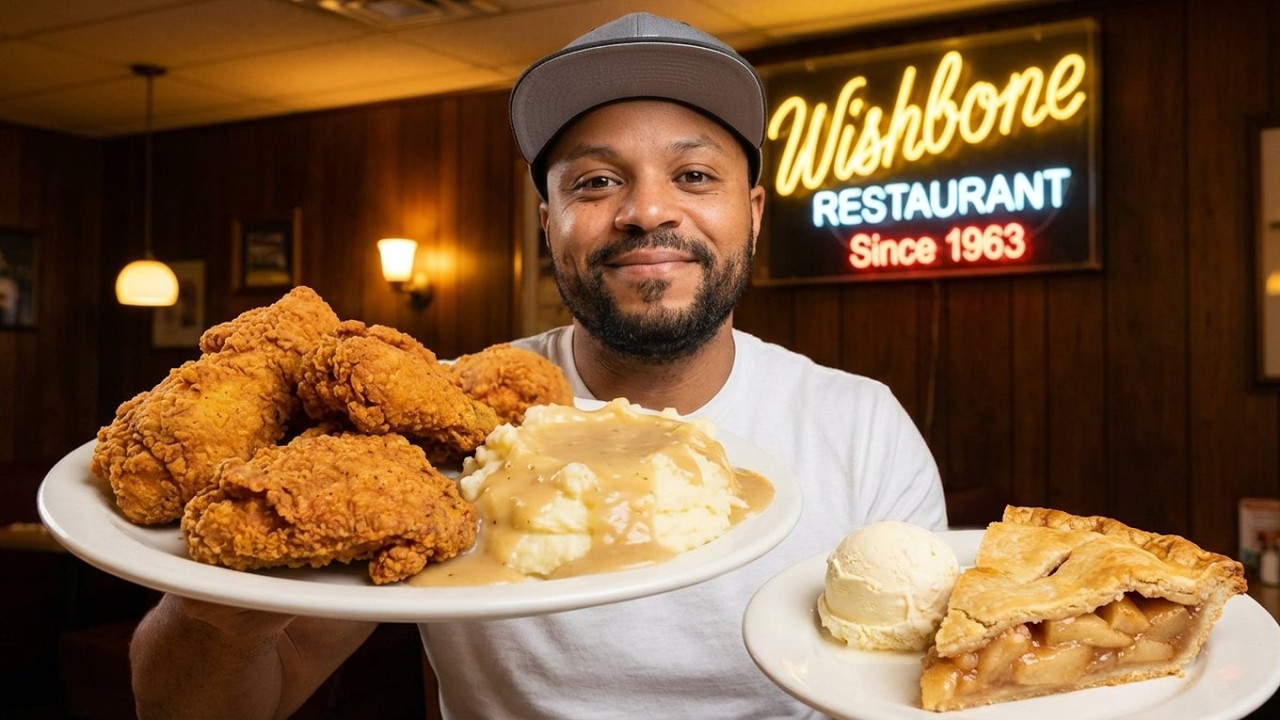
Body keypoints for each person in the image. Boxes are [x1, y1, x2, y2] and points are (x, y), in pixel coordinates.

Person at [130, 12, 948, 719]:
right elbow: (205, 703)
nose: (647, 210)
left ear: (754, 214)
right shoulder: (421, 431)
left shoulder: (862, 428)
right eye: (596, 182)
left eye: (694, 175)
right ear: (549, 221)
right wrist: (218, 614)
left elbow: (921, 688)